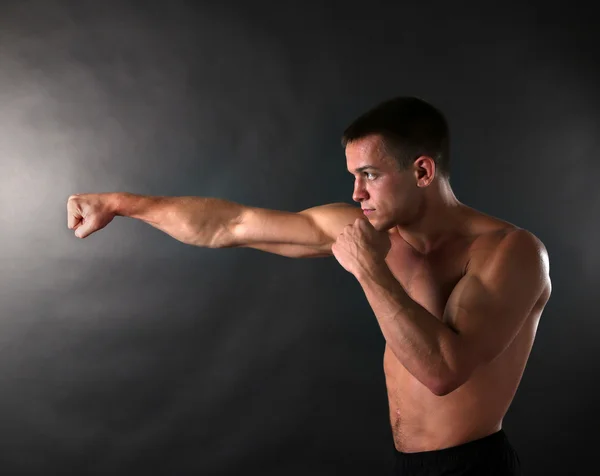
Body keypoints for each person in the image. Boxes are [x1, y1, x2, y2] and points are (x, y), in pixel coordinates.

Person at [67, 96, 551, 475]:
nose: (356, 194)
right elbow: (230, 225)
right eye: (353, 177)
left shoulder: (511, 252)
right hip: (406, 463)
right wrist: (120, 203)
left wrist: (369, 271)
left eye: (369, 176)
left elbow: (443, 372)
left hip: (472, 466)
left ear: (422, 171)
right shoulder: (370, 229)